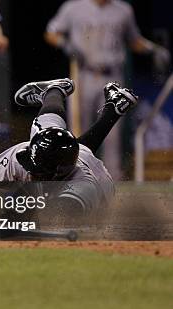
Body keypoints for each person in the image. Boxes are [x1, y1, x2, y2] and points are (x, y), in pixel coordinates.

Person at [0, 78, 138, 213]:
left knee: (81, 155)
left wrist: (15, 212)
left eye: (38, 170)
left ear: (58, 173)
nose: (29, 169)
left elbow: (64, 216)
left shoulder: (84, 184)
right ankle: (54, 90)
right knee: (48, 122)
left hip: (98, 185)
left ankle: (113, 109)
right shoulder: (22, 154)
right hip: (64, 153)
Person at [44, 0, 170, 179]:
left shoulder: (123, 10)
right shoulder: (73, 7)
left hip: (112, 75)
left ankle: (112, 180)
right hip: (83, 75)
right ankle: (76, 178)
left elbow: (133, 40)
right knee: (80, 130)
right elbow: (51, 33)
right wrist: (64, 43)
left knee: (112, 132)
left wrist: (153, 48)